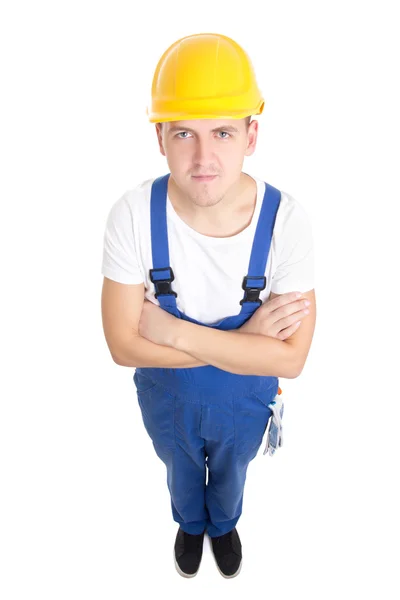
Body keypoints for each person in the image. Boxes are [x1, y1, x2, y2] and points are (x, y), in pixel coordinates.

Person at [101, 32, 316, 579]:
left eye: (222, 132)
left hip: (243, 403)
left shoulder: (286, 222)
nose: (203, 159)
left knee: (232, 471)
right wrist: (249, 346)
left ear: (251, 135)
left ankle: (222, 523)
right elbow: (124, 347)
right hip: (166, 399)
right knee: (179, 470)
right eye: (183, 134)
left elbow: (290, 361)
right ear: (160, 139)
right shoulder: (131, 215)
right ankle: (189, 522)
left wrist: (172, 333)